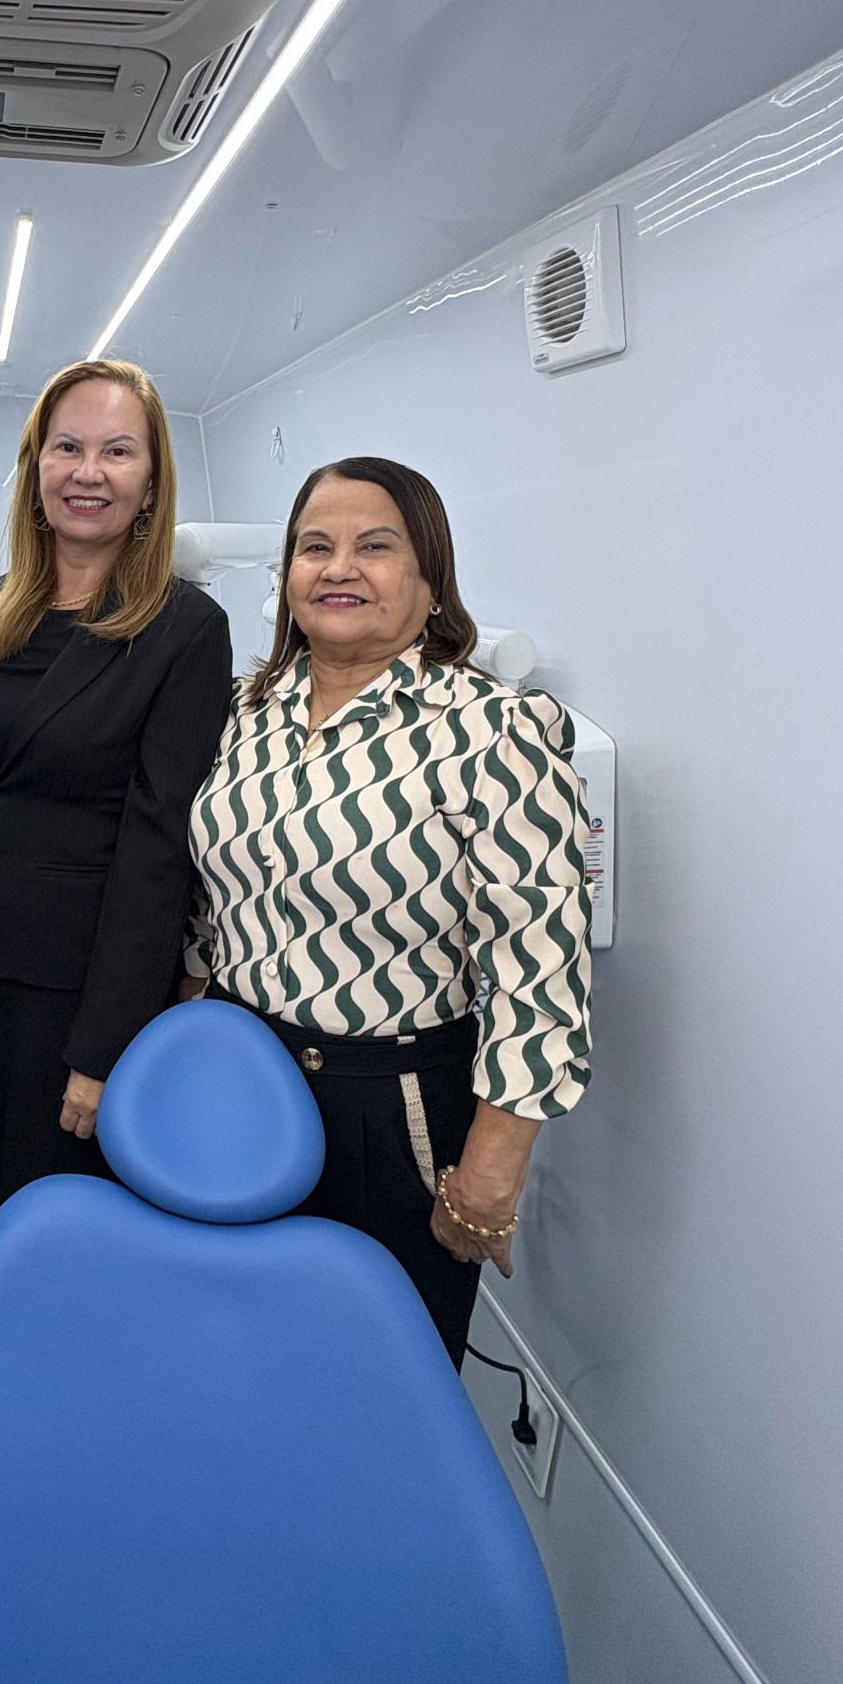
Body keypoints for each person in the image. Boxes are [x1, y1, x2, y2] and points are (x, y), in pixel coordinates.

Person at [183, 457, 592, 1367]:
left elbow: (540, 970)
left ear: (431, 578)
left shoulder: (494, 729)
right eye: (314, 547)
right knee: (239, 1352)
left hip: (392, 1105)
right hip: (237, 1078)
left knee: (378, 1374)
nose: (339, 568)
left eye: (375, 547)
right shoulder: (244, 714)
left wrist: (491, 1173)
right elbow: (209, 904)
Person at [0, 359, 234, 1348]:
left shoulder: (185, 628)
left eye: (118, 451)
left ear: (151, 481)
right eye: (67, 447)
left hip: (72, 998)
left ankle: (28, 1434)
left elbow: (159, 849)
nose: (88, 471)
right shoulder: (2, 604)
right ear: (35, 466)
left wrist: (103, 1047)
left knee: (41, 1249)